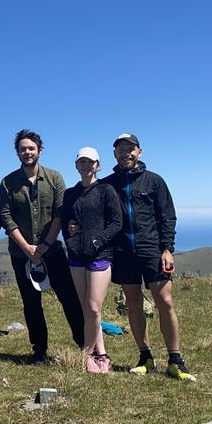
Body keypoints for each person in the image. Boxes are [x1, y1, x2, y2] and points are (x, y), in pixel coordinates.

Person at [101, 133, 195, 381]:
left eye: (130, 148)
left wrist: (167, 249)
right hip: (123, 252)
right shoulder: (108, 184)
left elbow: (168, 216)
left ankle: (176, 360)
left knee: (164, 301)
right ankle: (145, 357)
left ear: (140, 152)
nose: (126, 153)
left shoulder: (154, 181)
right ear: (115, 154)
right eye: (121, 149)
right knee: (133, 302)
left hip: (152, 250)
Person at [0, 129, 85, 364]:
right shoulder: (8, 182)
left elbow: (60, 213)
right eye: (23, 148)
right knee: (31, 302)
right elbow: (6, 218)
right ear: (17, 152)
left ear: (39, 151)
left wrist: (44, 245)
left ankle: (85, 344)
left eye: (31, 148)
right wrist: (27, 247)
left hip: (52, 251)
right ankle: (39, 350)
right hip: (21, 253)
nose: (27, 152)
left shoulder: (55, 178)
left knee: (68, 297)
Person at [61, 147, 123, 374]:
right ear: (76, 165)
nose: (86, 166)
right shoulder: (70, 194)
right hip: (76, 257)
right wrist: (70, 237)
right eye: (82, 162)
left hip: (100, 256)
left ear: (98, 165)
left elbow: (117, 223)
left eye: (91, 162)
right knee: (86, 308)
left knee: (94, 307)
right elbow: (65, 223)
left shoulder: (107, 190)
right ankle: (99, 355)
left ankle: (90, 353)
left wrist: (98, 242)